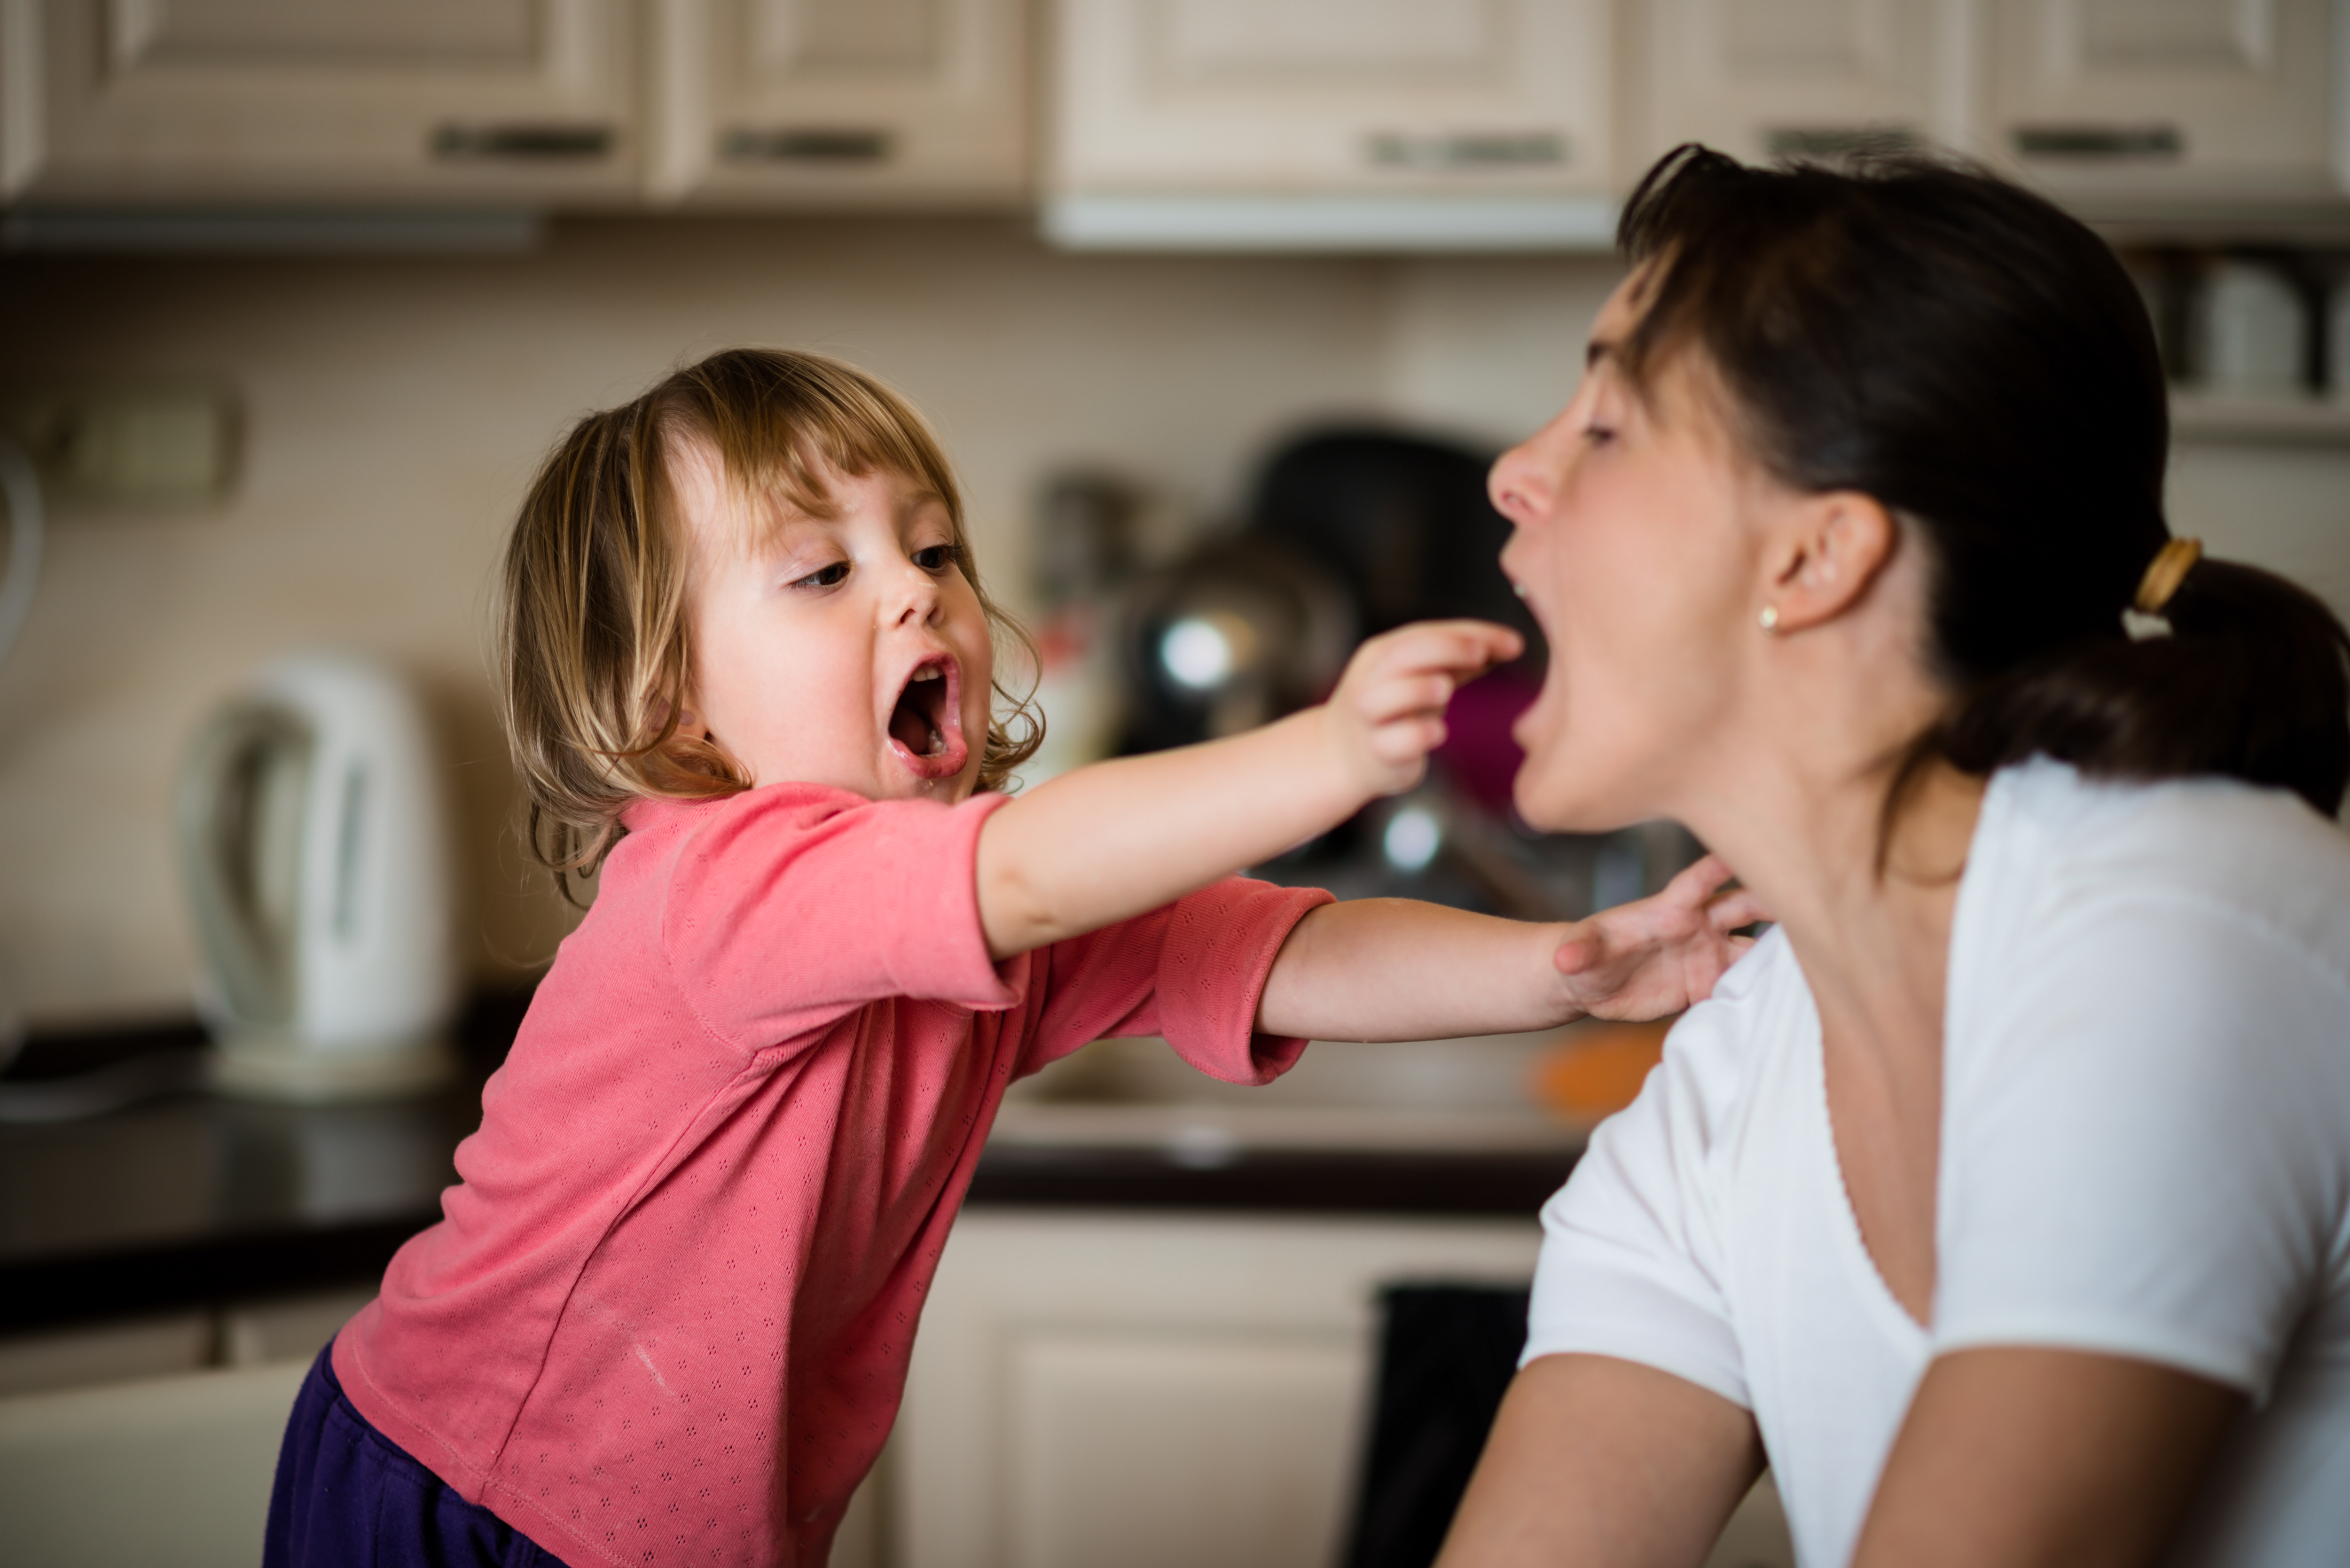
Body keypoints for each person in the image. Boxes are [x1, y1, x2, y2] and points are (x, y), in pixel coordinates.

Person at [262, 347, 1762, 1568]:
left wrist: (1559, 967)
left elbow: (1270, 951)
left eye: (931, 547)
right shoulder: (720, 880)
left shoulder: (971, 902)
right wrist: (1324, 751)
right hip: (467, 1493)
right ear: (673, 708)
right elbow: (1030, 865)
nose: (916, 589)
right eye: (820, 573)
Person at [1437, 146, 2350, 1568]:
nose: (1515, 472)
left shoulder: (2179, 933)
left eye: (1608, 426)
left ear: (1816, 560)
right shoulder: (1743, 1063)